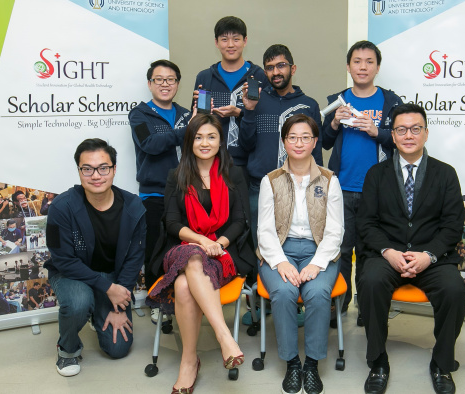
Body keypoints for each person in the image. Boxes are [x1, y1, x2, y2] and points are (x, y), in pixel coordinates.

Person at [356, 103, 465, 394]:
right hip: (387, 254)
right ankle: (378, 360)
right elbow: (366, 223)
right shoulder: (376, 175)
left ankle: (442, 363)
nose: (409, 135)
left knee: (454, 289)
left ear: (426, 133)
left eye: (415, 129)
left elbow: (453, 225)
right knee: (370, 281)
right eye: (401, 129)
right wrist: (388, 252)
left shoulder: (446, 174)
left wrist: (428, 255)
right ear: (392, 135)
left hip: (433, 257)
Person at [147, 113, 255, 394]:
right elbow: (171, 223)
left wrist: (217, 243)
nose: (205, 142)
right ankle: (224, 336)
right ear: (189, 141)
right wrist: (200, 242)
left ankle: (189, 361)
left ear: (221, 141)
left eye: (211, 136)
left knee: (183, 286)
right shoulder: (177, 175)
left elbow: (240, 220)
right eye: (198, 137)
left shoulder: (234, 174)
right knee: (193, 257)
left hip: (222, 250)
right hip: (183, 247)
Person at [45, 138, 146, 377]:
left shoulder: (133, 206)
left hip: (114, 277)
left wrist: (119, 305)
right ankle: (67, 350)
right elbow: (63, 260)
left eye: (103, 167)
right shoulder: (61, 207)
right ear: (79, 171)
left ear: (113, 169)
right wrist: (106, 287)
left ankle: (96, 313)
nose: (96, 175)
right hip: (73, 274)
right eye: (87, 169)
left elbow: (135, 257)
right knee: (79, 301)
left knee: (118, 349)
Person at [257, 114, 344, 394]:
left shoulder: (330, 180)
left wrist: (317, 264)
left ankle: (313, 364)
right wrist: (280, 261)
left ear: (315, 142)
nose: (299, 143)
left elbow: (335, 231)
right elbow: (264, 230)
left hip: (319, 251)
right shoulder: (270, 181)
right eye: (292, 137)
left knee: (317, 293)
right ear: (284, 142)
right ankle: (293, 362)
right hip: (278, 251)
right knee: (282, 293)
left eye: (306, 137)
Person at [322, 40, 403, 325]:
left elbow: (401, 142)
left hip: (377, 191)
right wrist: (333, 123)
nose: (363, 67)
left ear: (377, 67)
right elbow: (323, 142)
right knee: (341, 249)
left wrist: (377, 131)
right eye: (357, 61)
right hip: (341, 188)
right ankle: (340, 305)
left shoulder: (391, 102)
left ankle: (367, 308)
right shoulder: (338, 99)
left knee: (371, 251)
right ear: (348, 66)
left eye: (369, 61)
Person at [240, 43, 323, 247]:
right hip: (259, 185)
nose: (275, 72)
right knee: (259, 241)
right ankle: (258, 280)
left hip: (298, 185)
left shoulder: (309, 105)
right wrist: (249, 111)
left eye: (281, 65)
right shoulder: (256, 102)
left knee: (293, 243)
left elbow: (316, 151)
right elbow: (246, 144)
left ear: (292, 69)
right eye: (269, 67)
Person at [129, 59, 191, 294]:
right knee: (155, 249)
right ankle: (156, 298)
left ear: (177, 84)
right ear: (150, 83)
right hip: (154, 194)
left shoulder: (186, 115)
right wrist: (185, 132)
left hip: (185, 192)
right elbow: (149, 144)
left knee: (183, 247)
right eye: (159, 80)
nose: (165, 84)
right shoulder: (139, 115)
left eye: (171, 80)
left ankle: (182, 296)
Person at [191, 16, 268, 173]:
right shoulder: (205, 77)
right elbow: (196, 124)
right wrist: (203, 114)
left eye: (236, 39)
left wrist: (239, 113)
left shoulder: (259, 76)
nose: (231, 45)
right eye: (224, 39)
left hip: (247, 165)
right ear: (216, 42)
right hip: (210, 163)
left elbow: (265, 121)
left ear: (245, 41)